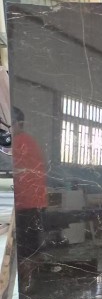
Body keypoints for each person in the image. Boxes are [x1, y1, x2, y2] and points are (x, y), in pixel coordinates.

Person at [12, 107, 47, 289]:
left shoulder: (20, 142)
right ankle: (27, 283)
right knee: (30, 247)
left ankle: (24, 285)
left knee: (24, 249)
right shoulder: (28, 141)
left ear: (18, 124)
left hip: (24, 203)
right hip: (31, 202)